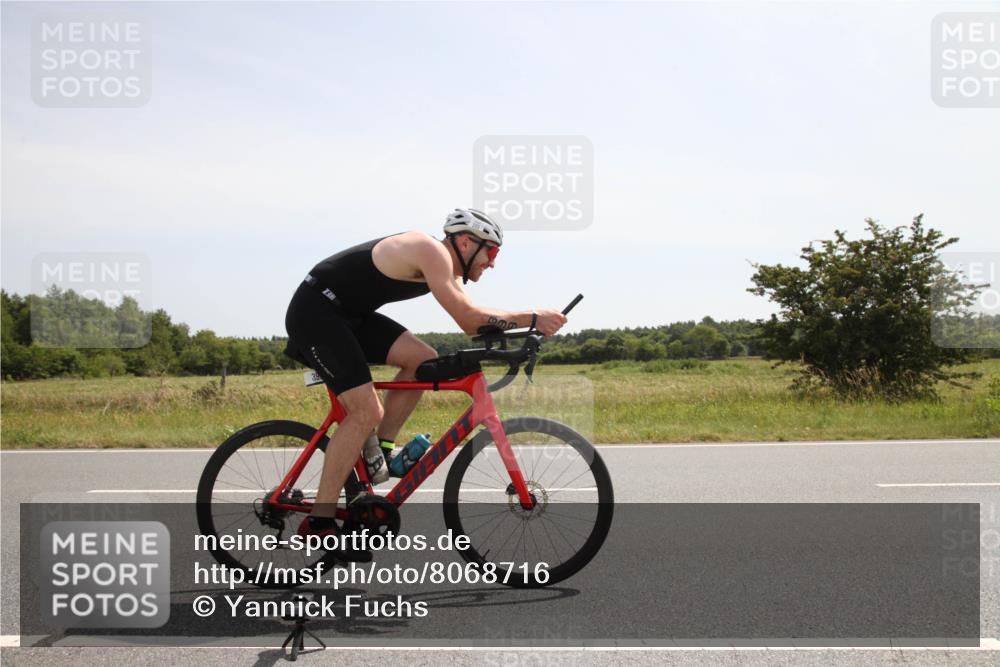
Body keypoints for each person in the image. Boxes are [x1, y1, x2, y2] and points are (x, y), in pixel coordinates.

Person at [283, 208, 568, 559]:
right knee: (364, 411)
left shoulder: (447, 268)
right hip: (317, 313)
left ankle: (379, 456)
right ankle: (319, 522)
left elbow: (478, 318)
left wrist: (523, 334)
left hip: (348, 316)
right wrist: (533, 317)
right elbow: (468, 320)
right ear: (466, 241)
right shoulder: (430, 250)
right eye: (491, 252)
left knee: (422, 360)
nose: (492, 263)